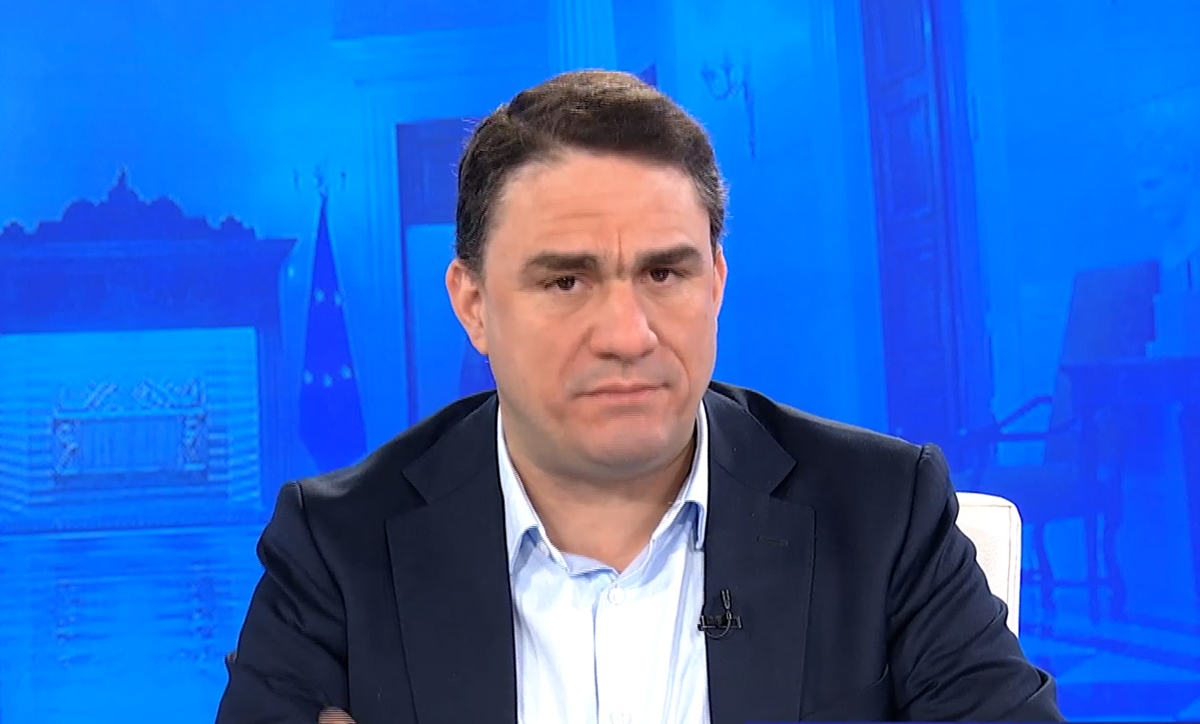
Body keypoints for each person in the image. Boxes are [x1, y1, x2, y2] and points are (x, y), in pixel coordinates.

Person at [216, 70, 1063, 723]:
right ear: (472, 306)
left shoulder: (883, 513)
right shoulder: (336, 549)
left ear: (717, 282)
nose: (627, 333)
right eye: (566, 281)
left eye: (664, 273)